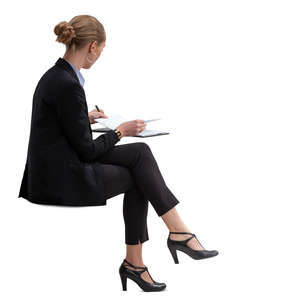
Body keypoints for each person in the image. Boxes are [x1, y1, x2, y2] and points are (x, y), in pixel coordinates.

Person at [18, 14, 218, 292]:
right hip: (59, 179)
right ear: (93, 47)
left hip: (53, 166)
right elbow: (87, 151)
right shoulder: (67, 84)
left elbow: (55, 125)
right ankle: (161, 245)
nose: (99, 55)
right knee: (140, 174)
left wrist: (83, 119)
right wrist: (121, 130)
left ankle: (166, 241)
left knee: (141, 153)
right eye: (101, 50)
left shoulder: (57, 75)